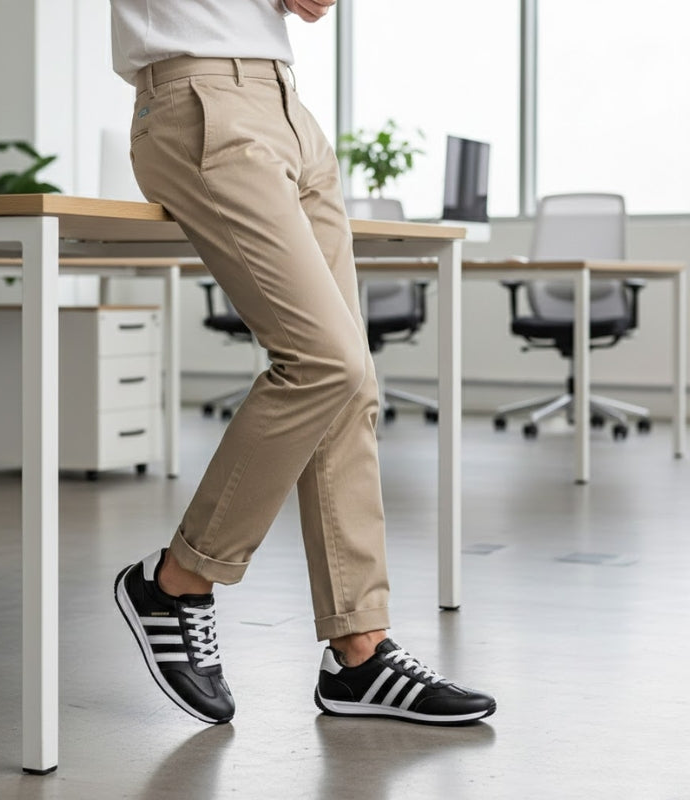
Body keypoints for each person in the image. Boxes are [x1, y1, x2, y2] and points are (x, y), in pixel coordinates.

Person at [110, 0, 496, 726]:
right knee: (326, 360)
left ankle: (360, 650)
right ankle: (177, 580)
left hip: (287, 103)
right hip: (196, 97)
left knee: (351, 382)